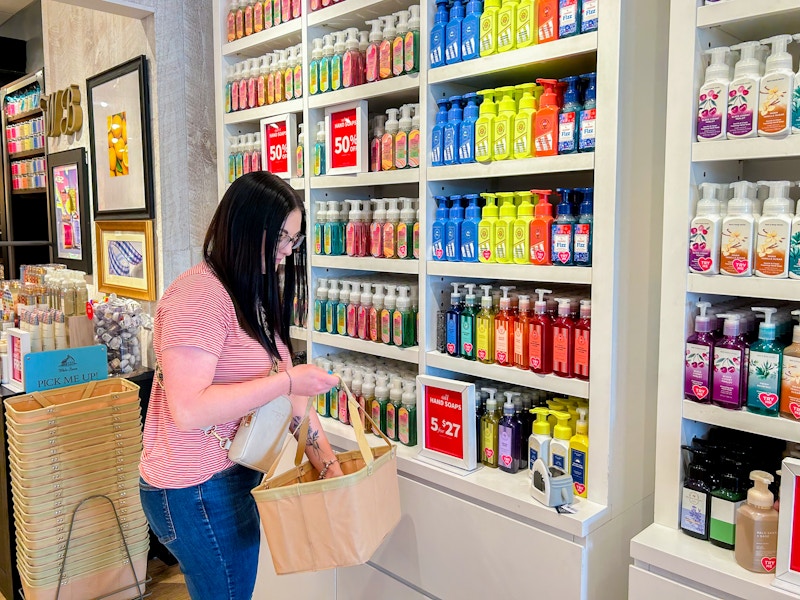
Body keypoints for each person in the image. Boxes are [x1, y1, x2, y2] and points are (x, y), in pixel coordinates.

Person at [139, 171, 342, 600]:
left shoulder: (246, 293)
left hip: (230, 477)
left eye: (294, 240)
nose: (288, 253)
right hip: (195, 488)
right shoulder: (200, 296)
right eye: (283, 239)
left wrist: (331, 470)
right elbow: (190, 409)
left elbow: (296, 407)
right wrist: (287, 380)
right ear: (248, 228)